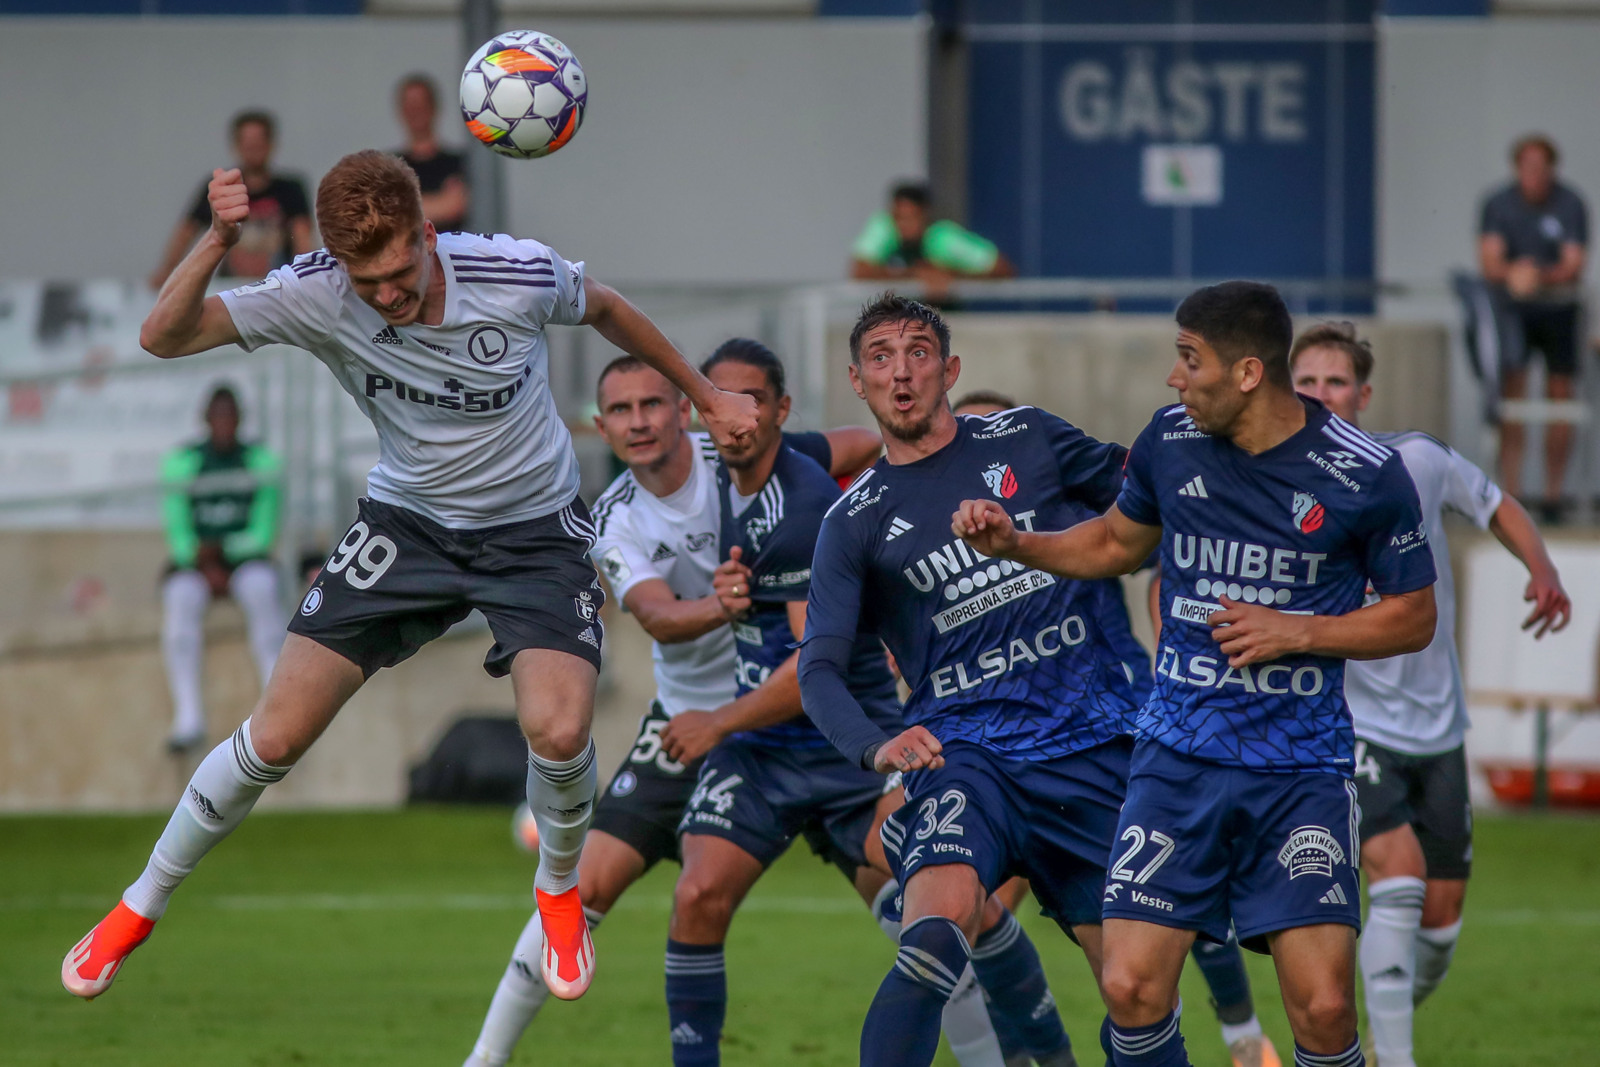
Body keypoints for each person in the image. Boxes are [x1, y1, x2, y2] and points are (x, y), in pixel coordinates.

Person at [63, 150, 757, 1005]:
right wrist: (216, 239)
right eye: (367, 280)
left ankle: (557, 888)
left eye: (398, 271)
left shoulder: (514, 270)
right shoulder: (316, 289)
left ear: (428, 235)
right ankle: (139, 905)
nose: (386, 295)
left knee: (560, 728)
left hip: (534, 532)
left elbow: (608, 307)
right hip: (406, 527)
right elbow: (162, 335)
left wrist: (707, 395)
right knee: (275, 736)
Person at [950, 281, 1440, 1067]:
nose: (1175, 378)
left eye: (1189, 358)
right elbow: (1115, 544)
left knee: (1321, 1007)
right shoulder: (1169, 442)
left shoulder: (1361, 473)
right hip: (1175, 761)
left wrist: (1300, 630)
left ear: (1248, 372)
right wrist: (1020, 545)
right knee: (1131, 986)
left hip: (1298, 770)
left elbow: (1415, 614)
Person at [462, 355, 881, 1067]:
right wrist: (720, 603)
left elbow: (860, 445)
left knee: (917, 904)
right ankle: (484, 1059)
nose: (639, 421)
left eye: (653, 404)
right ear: (601, 428)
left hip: (797, 709)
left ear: (684, 409)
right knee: (586, 886)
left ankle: (1011, 1046)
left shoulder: (743, 456)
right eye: (621, 411)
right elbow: (655, 614)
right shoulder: (614, 516)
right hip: (689, 724)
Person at [665, 340, 1069, 1067]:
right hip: (764, 755)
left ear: (778, 412)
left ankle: (1032, 1055)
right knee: (696, 894)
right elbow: (854, 441)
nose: (731, 417)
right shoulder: (715, 474)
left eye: (747, 401)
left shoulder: (807, 506)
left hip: (848, 745)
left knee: (956, 910)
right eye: (714, 401)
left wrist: (715, 721)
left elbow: (804, 668)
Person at [800, 293, 1163, 1067]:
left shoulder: (1027, 436)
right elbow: (820, 667)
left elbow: (1147, 501)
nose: (902, 374)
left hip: (1092, 744)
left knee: (1137, 992)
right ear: (858, 383)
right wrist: (877, 745)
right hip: (967, 754)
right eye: (881, 359)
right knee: (934, 928)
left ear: (951, 369)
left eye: (919, 353)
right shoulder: (853, 520)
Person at [956, 388, 1283, 1067]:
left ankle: (1241, 1033)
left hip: (1109, 731)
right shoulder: (951, 540)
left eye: (995, 435)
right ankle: (1030, 1054)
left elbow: (1158, 526)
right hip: (1003, 753)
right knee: (973, 909)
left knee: (1170, 892)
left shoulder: (1072, 512)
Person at [1290, 322, 1570, 1067]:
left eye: (1336, 382)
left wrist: (1541, 569)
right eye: (1307, 382)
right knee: (1401, 873)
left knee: (1439, 932)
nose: (1322, 395)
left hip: (1440, 728)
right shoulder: (1279, 485)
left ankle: (1358, 1034)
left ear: (1364, 394)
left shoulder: (1415, 460)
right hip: (1351, 724)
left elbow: (1499, 503)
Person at [159, 385, 286, 753]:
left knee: (263, 591)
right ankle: (188, 717)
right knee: (180, 599)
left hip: (243, 564)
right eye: (218, 416)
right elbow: (178, 533)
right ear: (206, 420)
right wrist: (202, 559)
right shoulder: (182, 462)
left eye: (231, 416)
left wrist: (225, 551)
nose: (224, 424)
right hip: (197, 566)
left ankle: (275, 706)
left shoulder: (261, 462)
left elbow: (263, 533)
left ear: (241, 420)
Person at [1478, 134, 1589, 522]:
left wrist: (1537, 277)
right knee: (1514, 396)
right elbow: (1490, 261)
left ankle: (1554, 495)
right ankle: (1513, 493)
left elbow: (1574, 263)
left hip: (1559, 311)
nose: (1534, 176)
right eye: (1527, 167)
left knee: (1561, 396)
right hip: (1513, 313)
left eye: (1541, 167)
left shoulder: (1570, 203)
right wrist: (1515, 275)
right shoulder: (1498, 204)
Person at [150, 111, 312, 288]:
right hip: (230, 288)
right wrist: (167, 271)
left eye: (258, 143)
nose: (253, 149)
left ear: (271, 144)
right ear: (236, 145)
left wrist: (305, 278)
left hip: (277, 287)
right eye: (248, 144)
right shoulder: (222, 185)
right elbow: (186, 231)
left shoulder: (290, 189)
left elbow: (302, 236)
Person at [851, 182, 1014, 303]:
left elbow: (1003, 268)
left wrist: (951, 276)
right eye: (899, 218)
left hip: (943, 323)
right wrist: (915, 274)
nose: (904, 225)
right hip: (896, 323)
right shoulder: (884, 228)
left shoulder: (943, 238)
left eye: (912, 218)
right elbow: (860, 271)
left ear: (925, 216)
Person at [395, 73, 471, 233]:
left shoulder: (459, 163)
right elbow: (385, 213)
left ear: (434, 107)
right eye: (410, 105)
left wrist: (404, 208)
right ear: (401, 110)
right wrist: (441, 203)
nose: (415, 111)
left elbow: (456, 206)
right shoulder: (390, 166)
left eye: (420, 104)